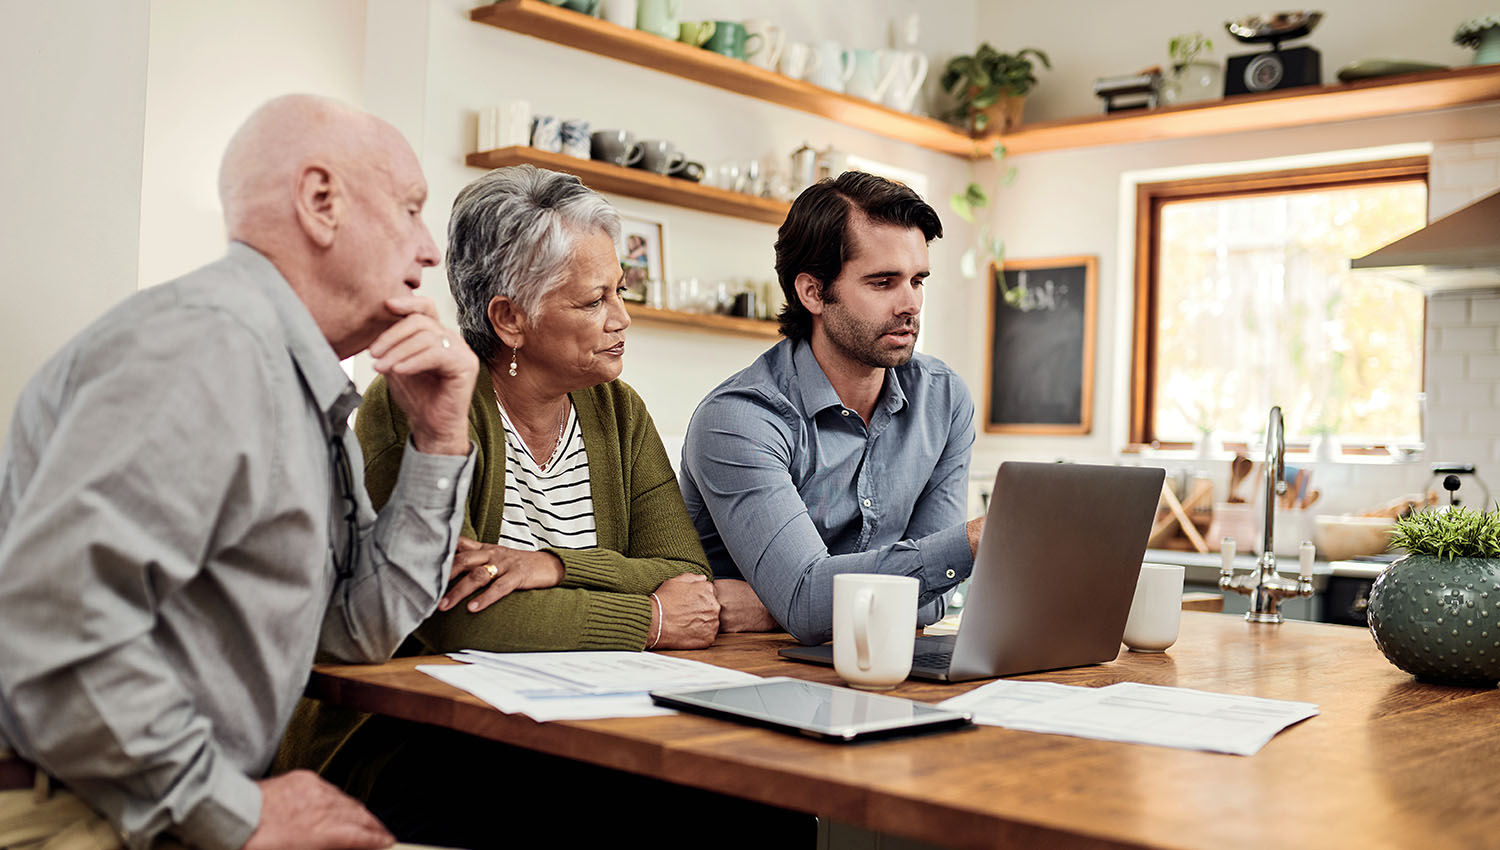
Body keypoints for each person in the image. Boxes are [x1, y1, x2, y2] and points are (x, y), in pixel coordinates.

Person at [0, 95, 478, 850]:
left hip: (142, 798)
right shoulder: (208, 348)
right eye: (411, 209)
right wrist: (236, 810)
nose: (430, 250)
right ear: (321, 202)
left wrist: (439, 441)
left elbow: (355, 630)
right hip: (74, 809)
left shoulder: (296, 382)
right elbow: (52, 623)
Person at [281, 166, 755, 849]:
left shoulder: (618, 411)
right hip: (418, 742)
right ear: (510, 318)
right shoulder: (419, 399)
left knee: (742, 808)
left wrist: (551, 567)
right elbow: (460, 621)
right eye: (594, 301)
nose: (622, 319)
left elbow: (685, 574)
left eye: (620, 292)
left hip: (588, 728)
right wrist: (647, 615)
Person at [679, 171, 984, 646]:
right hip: (745, 677)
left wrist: (770, 604)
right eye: (883, 282)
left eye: (918, 281)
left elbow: (933, 597)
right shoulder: (740, 419)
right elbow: (805, 602)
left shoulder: (943, 401)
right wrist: (968, 545)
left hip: (875, 662)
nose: (910, 304)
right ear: (813, 292)